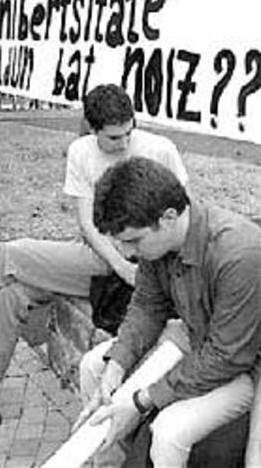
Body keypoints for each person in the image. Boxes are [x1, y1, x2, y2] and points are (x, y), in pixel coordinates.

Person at [0, 84, 189, 456]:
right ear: (92, 129)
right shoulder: (81, 152)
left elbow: (180, 217)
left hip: (143, 260)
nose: (125, 142)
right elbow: (87, 224)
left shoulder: (161, 149)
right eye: (114, 137)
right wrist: (117, 263)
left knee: (12, 255)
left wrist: (132, 268)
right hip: (103, 255)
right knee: (10, 294)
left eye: (130, 131)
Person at [77, 156, 261, 468]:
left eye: (133, 240)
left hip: (246, 364)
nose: (126, 253)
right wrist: (116, 369)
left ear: (168, 217)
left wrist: (141, 399)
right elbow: (147, 307)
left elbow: (228, 358)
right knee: (93, 366)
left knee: (169, 431)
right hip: (204, 341)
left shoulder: (239, 253)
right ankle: (112, 459)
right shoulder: (156, 244)